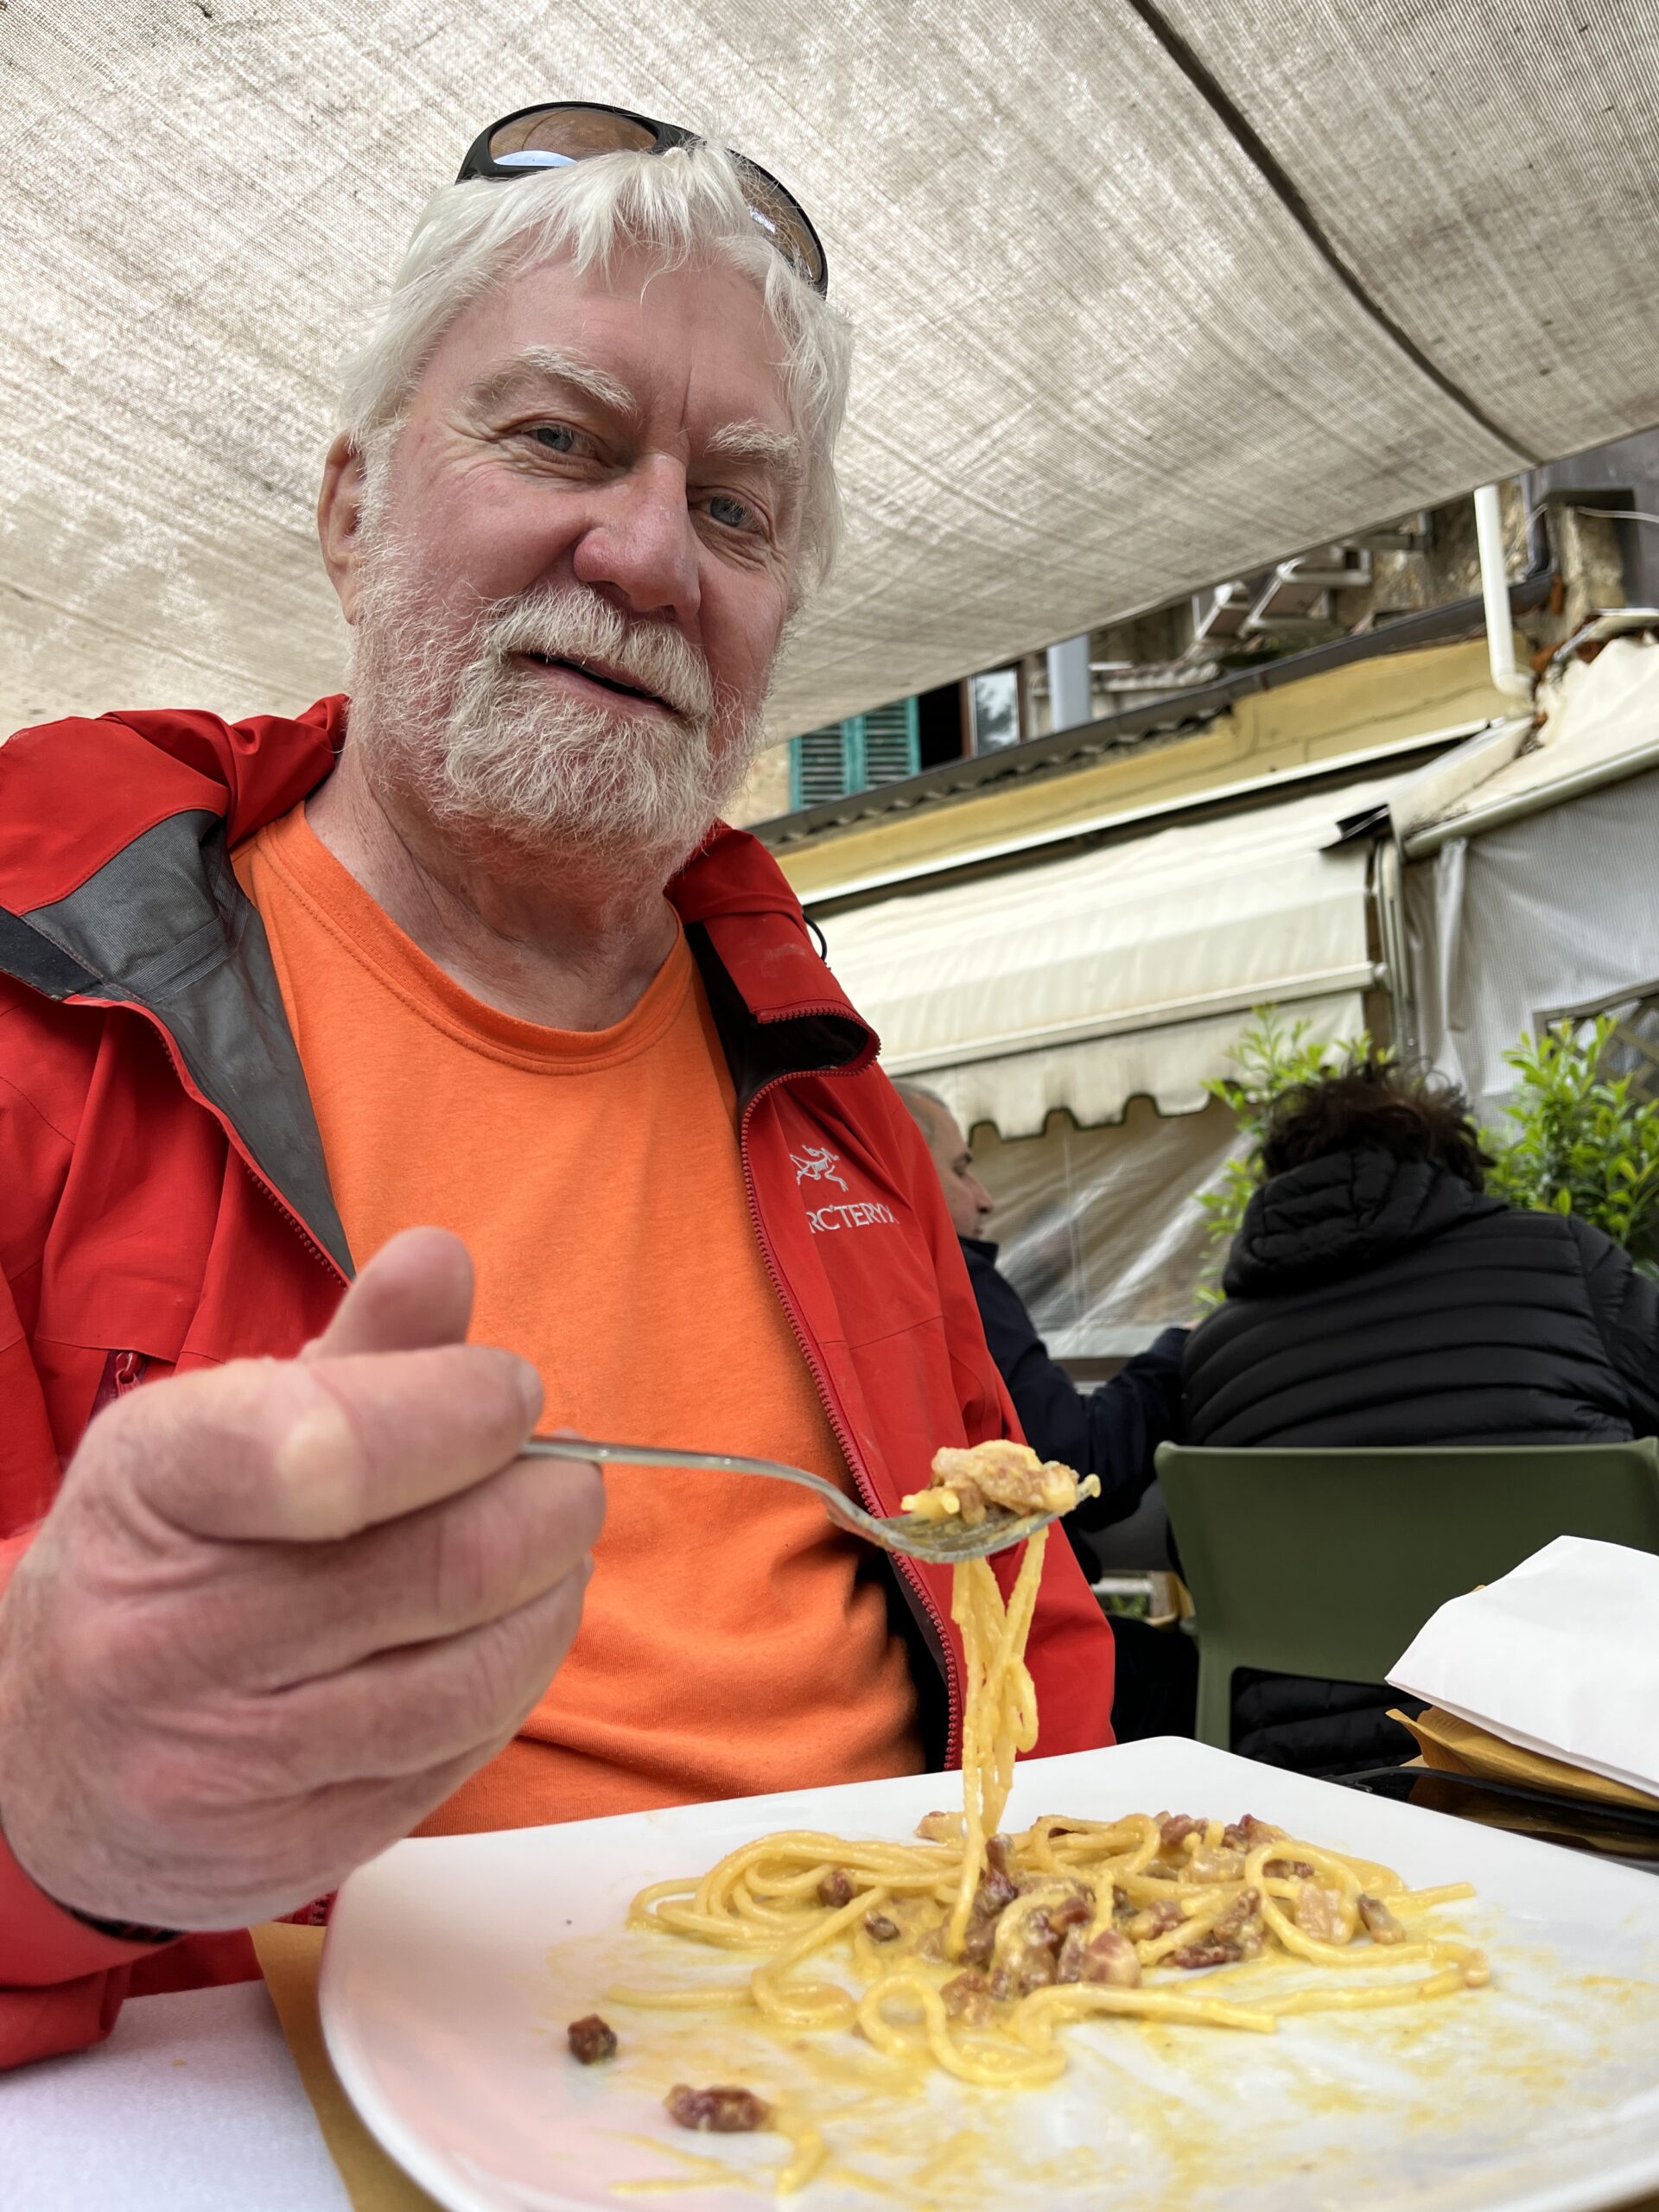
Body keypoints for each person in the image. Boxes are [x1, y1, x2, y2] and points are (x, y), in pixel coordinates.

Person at [0, 110, 1115, 2069]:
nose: (649, 551)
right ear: (352, 508)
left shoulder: (832, 1089)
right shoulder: (46, 1014)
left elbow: (1029, 1611)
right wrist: (40, 1789)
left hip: (923, 2086)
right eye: (559, 441)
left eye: (742, 508)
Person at [1181, 1054, 1659, 1771]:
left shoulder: (1214, 1353)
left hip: (1312, 1775)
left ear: (1280, 1184)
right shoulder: (1564, 1258)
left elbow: (1203, 1565)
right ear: (1451, 1166)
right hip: (1581, 1757)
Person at [895, 1084, 1194, 1738]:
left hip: (919, 1656)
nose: (986, 1197)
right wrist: (1177, 1357)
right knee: (1189, 1672)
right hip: (1003, 1657)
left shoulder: (858, 1285)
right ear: (903, 1169)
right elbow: (1075, 1463)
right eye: (961, 1168)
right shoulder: (952, 1279)